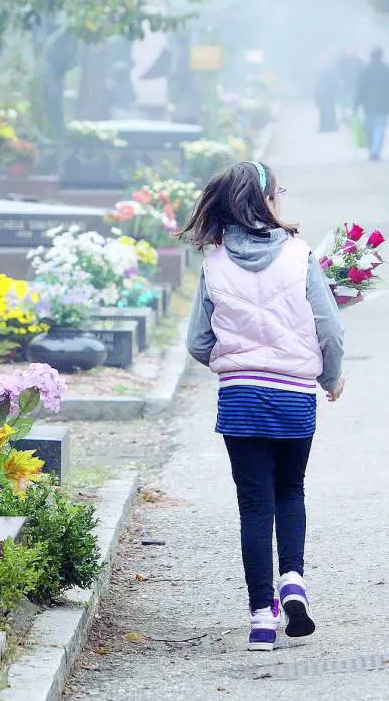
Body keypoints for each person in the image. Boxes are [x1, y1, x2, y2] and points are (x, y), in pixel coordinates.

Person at [181, 161, 345, 651]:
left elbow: (197, 341)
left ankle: (260, 619)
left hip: (241, 399)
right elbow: (329, 330)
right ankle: (292, 581)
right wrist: (330, 376)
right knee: (290, 491)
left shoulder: (213, 262)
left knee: (254, 507)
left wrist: (234, 362)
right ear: (266, 201)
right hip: (294, 397)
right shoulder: (300, 256)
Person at [356, 47, 389, 160]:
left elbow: (360, 88)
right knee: (379, 129)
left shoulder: (365, 70)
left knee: (369, 129)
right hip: (383, 106)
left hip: (368, 105)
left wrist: (356, 104)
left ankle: (371, 149)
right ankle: (375, 150)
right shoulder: (386, 70)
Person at [315, 54, 340, 132]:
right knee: (326, 110)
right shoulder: (327, 70)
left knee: (327, 110)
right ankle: (328, 127)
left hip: (326, 94)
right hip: (326, 94)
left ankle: (327, 127)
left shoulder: (327, 70)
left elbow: (318, 84)